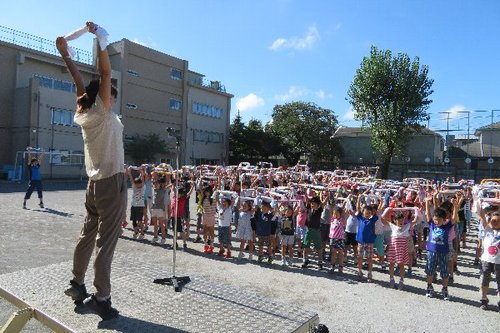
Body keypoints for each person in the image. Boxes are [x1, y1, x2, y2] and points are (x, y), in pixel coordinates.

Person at [57, 22, 125, 320]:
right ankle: (101, 298)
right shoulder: (102, 110)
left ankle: (76, 283)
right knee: (105, 243)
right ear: (105, 95)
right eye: (112, 92)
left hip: (93, 183)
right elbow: (106, 74)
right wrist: (102, 40)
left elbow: (79, 84)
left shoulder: (83, 110)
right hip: (111, 182)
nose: (114, 95)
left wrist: (66, 56)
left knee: (87, 236)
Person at [477, 206, 500, 311]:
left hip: (498, 262)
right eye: (493, 220)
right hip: (486, 260)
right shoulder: (488, 229)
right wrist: (491, 209)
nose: (495, 222)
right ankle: (484, 299)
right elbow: (481, 213)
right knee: (485, 280)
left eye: (497, 221)